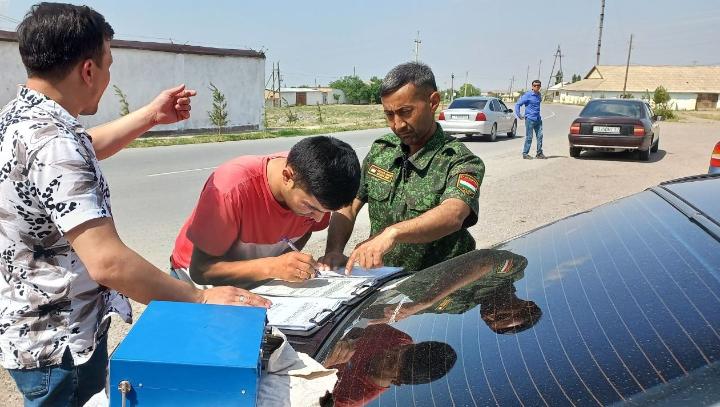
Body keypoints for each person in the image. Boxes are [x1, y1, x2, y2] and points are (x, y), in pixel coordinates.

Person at [0, 3, 269, 405]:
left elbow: (85, 148)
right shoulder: (55, 143)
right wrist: (199, 297)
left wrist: (150, 116)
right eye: (108, 65)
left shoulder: (20, 119)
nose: (109, 77)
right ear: (88, 70)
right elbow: (107, 261)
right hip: (62, 344)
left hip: (32, 327)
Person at [318, 62, 485, 273]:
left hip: (440, 284)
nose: (397, 124)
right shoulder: (381, 151)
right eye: (389, 114)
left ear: (433, 102)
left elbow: (453, 214)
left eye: (406, 112)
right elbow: (349, 205)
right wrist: (334, 250)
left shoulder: (460, 160)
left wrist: (393, 233)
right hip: (384, 279)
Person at [170, 135, 361, 287]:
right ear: (287, 177)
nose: (318, 218)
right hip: (196, 282)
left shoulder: (317, 185)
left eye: (325, 211)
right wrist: (273, 266)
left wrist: (283, 264)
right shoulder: (232, 187)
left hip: (255, 277)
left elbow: (307, 230)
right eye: (310, 207)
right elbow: (201, 270)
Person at [323, 324, 456, 407]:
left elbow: (303, 390)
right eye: (397, 349)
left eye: (391, 362)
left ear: (397, 381)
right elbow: (358, 327)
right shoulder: (399, 338)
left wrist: (325, 363)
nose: (386, 352)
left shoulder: (350, 399)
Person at [515, 79, 546, 159]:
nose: (536, 87)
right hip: (530, 119)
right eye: (535, 85)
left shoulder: (539, 95)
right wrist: (519, 114)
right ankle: (525, 154)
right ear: (532, 86)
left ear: (540, 87)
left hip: (538, 119)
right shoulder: (527, 95)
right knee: (529, 137)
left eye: (538, 85)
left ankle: (539, 153)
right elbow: (518, 104)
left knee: (540, 136)